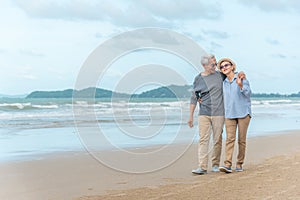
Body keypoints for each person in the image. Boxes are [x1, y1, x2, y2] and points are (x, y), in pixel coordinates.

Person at [188, 54, 225, 175]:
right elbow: (194, 97)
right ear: (204, 65)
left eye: (216, 63)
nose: (215, 66)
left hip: (219, 113)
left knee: (217, 139)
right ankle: (202, 167)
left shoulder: (220, 75)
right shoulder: (198, 79)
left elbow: (232, 72)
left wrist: (241, 75)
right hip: (204, 113)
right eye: (212, 64)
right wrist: (190, 116)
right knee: (203, 140)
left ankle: (215, 164)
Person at [217, 58, 252, 173]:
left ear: (232, 66)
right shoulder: (224, 83)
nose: (224, 68)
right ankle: (227, 164)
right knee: (229, 139)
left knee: (241, 140)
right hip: (229, 114)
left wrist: (240, 85)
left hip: (243, 113)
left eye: (226, 65)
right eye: (222, 67)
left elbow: (248, 94)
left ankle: (239, 164)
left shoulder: (241, 77)